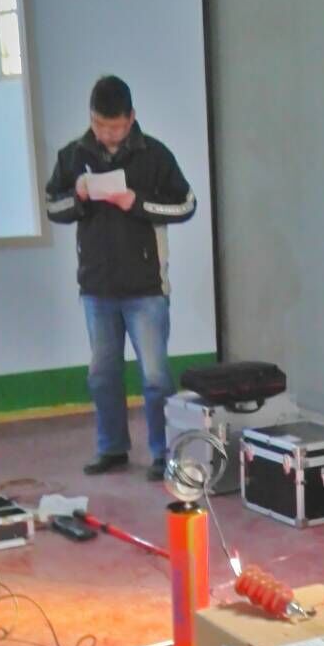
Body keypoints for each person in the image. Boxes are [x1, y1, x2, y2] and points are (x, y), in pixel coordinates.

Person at [45, 74, 196, 481]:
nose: (106, 134)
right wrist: (77, 196)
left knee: (155, 377)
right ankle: (111, 447)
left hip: (146, 289)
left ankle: (164, 453)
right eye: (99, 125)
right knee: (102, 374)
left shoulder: (155, 155)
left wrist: (137, 203)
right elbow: (53, 207)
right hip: (96, 288)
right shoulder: (73, 155)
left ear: (131, 118)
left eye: (114, 126)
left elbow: (186, 205)